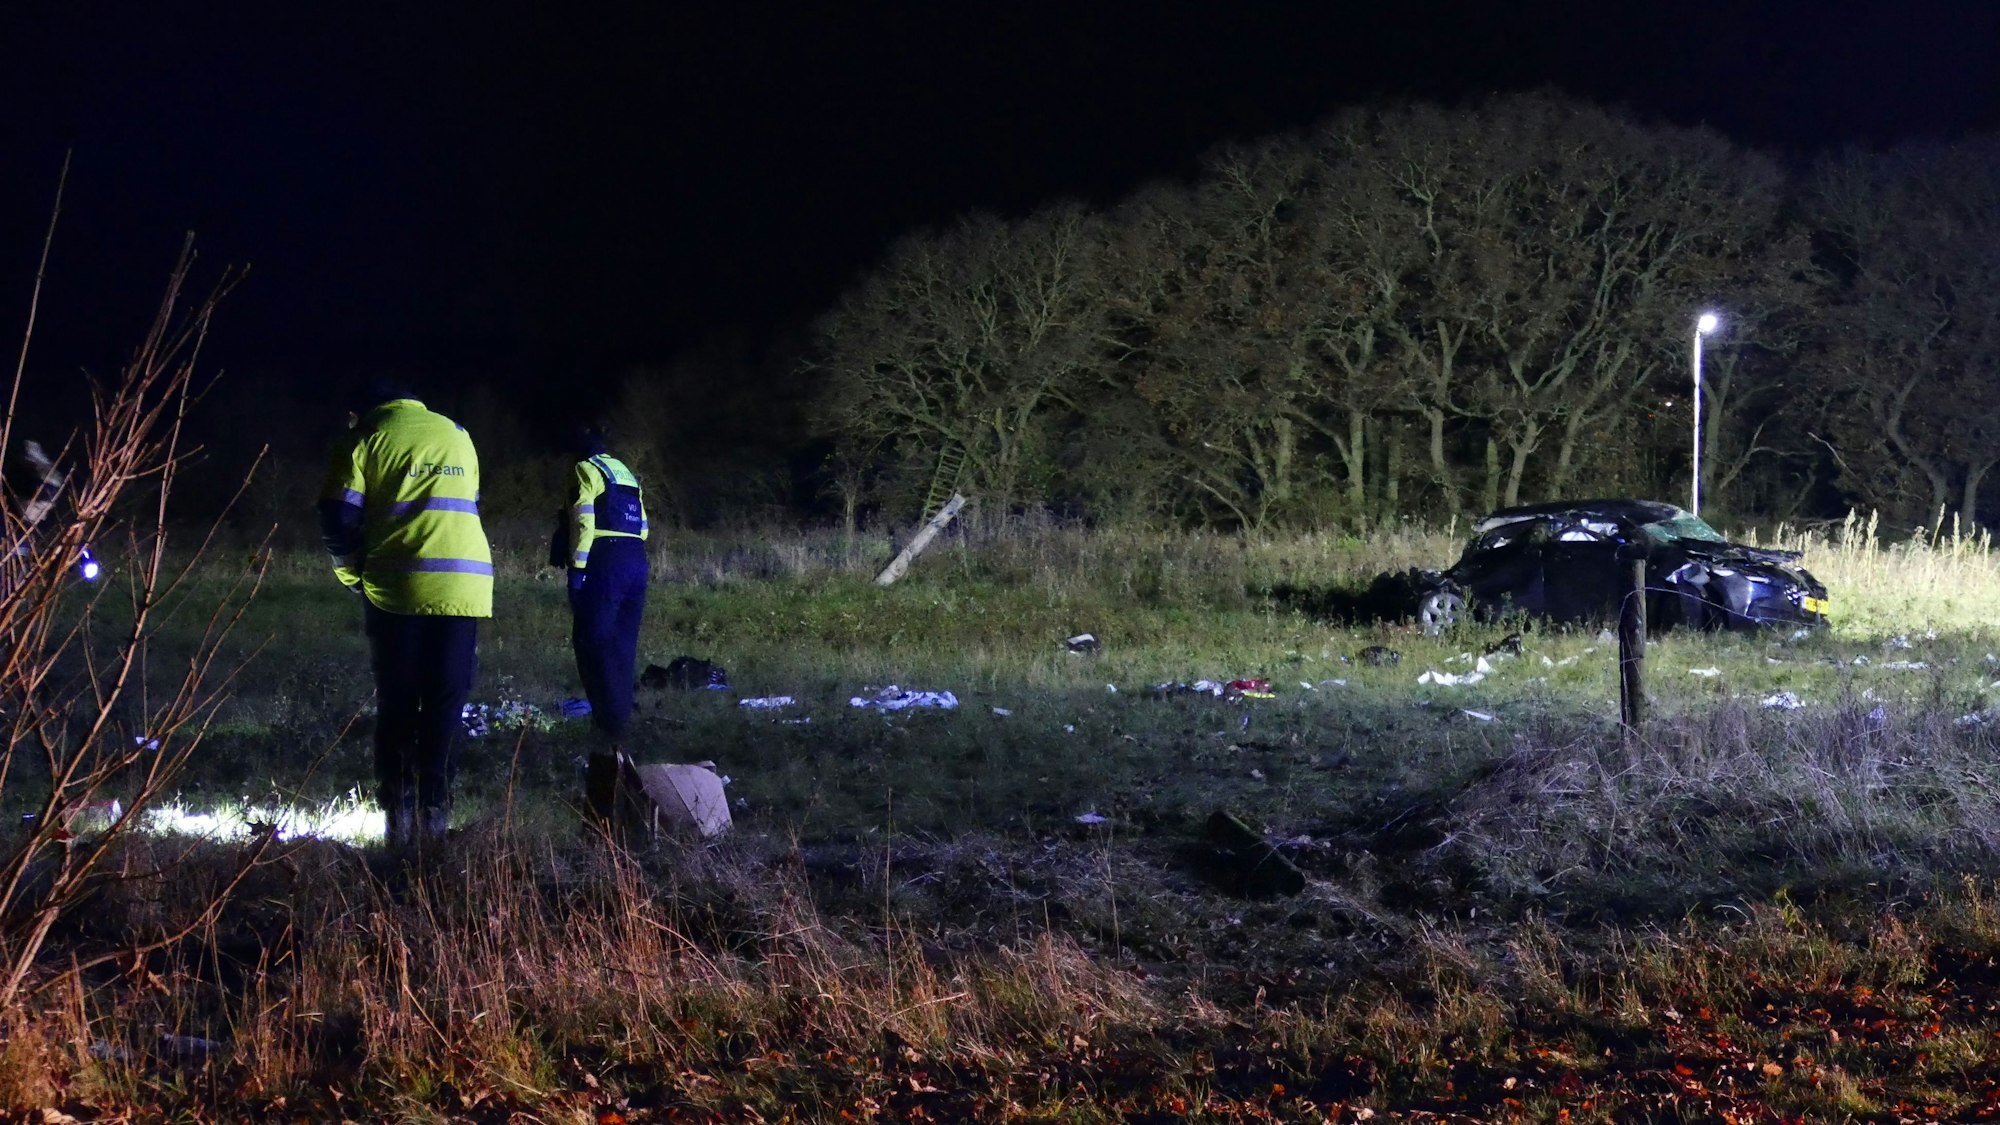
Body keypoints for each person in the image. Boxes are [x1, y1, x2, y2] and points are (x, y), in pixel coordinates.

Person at [318, 380, 492, 849]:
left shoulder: (366, 438)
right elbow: (467, 505)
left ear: (361, 411)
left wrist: (352, 573)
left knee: (397, 703)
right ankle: (435, 814)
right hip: (465, 586)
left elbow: (336, 518)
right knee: (444, 702)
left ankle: (399, 818)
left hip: (398, 589)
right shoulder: (457, 432)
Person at [563, 426, 649, 741]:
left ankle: (607, 725)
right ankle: (622, 719)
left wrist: (577, 568)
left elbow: (583, 521)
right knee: (622, 645)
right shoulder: (623, 471)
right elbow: (643, 526)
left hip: (604, 561)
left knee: (591, 641)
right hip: (636, 559)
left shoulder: (584, 469)